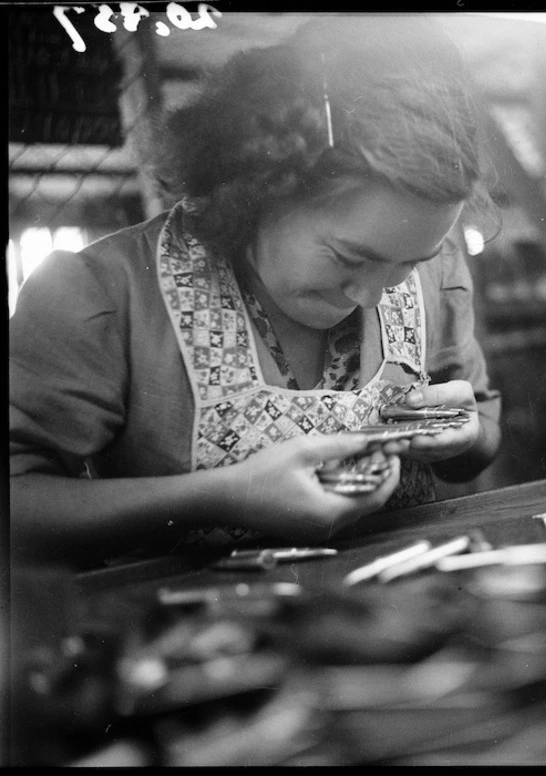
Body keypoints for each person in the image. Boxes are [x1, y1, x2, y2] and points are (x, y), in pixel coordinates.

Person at [9, 14, 502, 567]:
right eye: (349, 257)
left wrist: (464, 434)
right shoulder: (103, 295)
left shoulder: (436, 274)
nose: (371, 295)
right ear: (258, 191)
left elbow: (480, 429)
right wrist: (222, 496)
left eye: (410, 261)